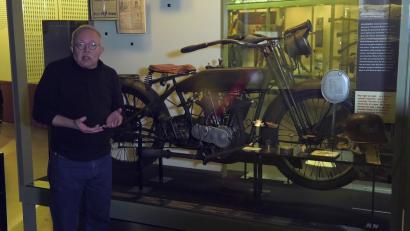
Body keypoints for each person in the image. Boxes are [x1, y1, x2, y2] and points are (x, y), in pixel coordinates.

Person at [32, 25, 123, 231]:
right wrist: (72, 123)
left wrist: (116, 115)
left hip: (101, 162)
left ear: (101, 49)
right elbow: (39, 112)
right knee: (65, 222)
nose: (86, 50)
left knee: (99, 220)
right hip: (66, 163)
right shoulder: (55, 71)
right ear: (71, 47)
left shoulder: (110, 75)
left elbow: (118, 107)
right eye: (80, 45)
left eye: (92, 45)